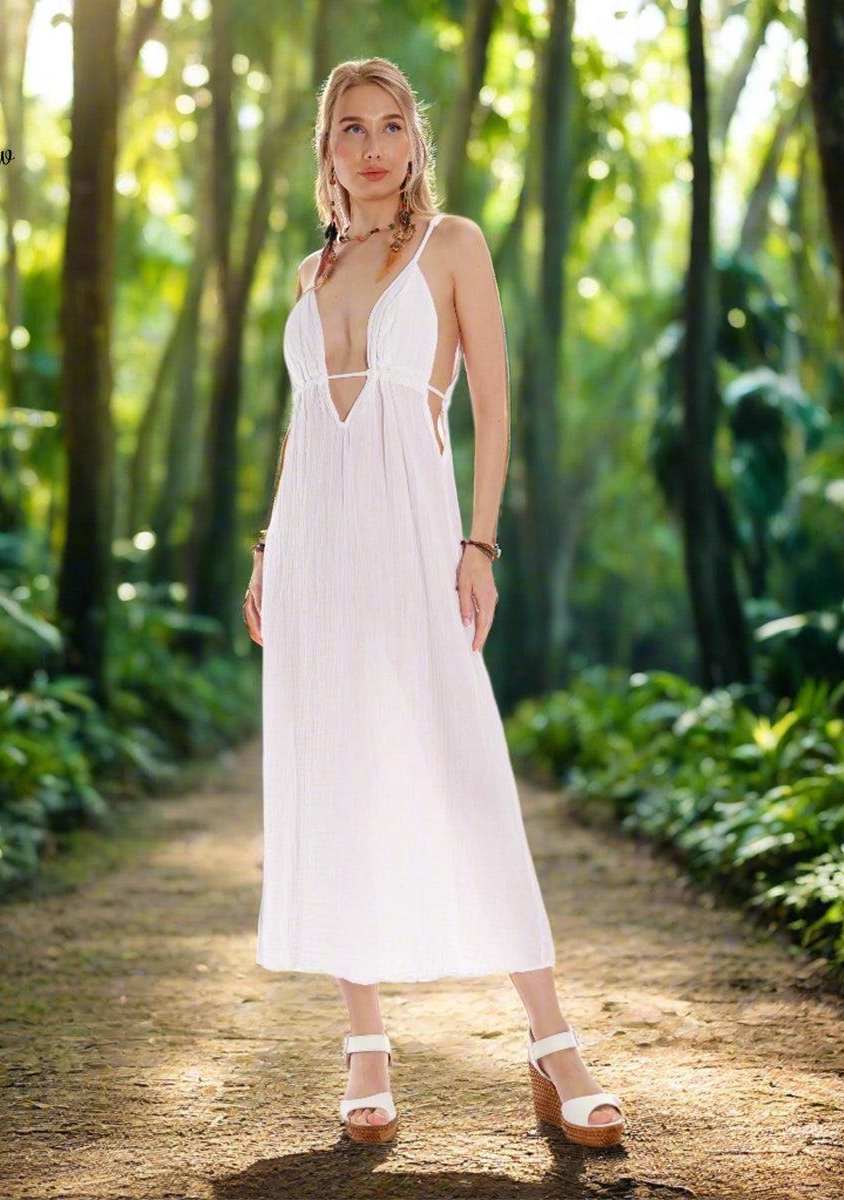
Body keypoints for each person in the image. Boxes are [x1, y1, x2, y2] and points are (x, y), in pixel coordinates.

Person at [242, 58, 625, 1148]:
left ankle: (556, 1049)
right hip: (317, 554)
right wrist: (270, 545)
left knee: (464, 770)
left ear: (416, 142)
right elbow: (305, 427)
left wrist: (479, 544)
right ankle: (366, 1046)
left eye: (392, 125)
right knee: (336, 776)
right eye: (352, 128)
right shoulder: (307, 279)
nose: (372, 146)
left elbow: (492, 410)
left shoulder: (453, 247)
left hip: (419, 542)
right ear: (328, 151)